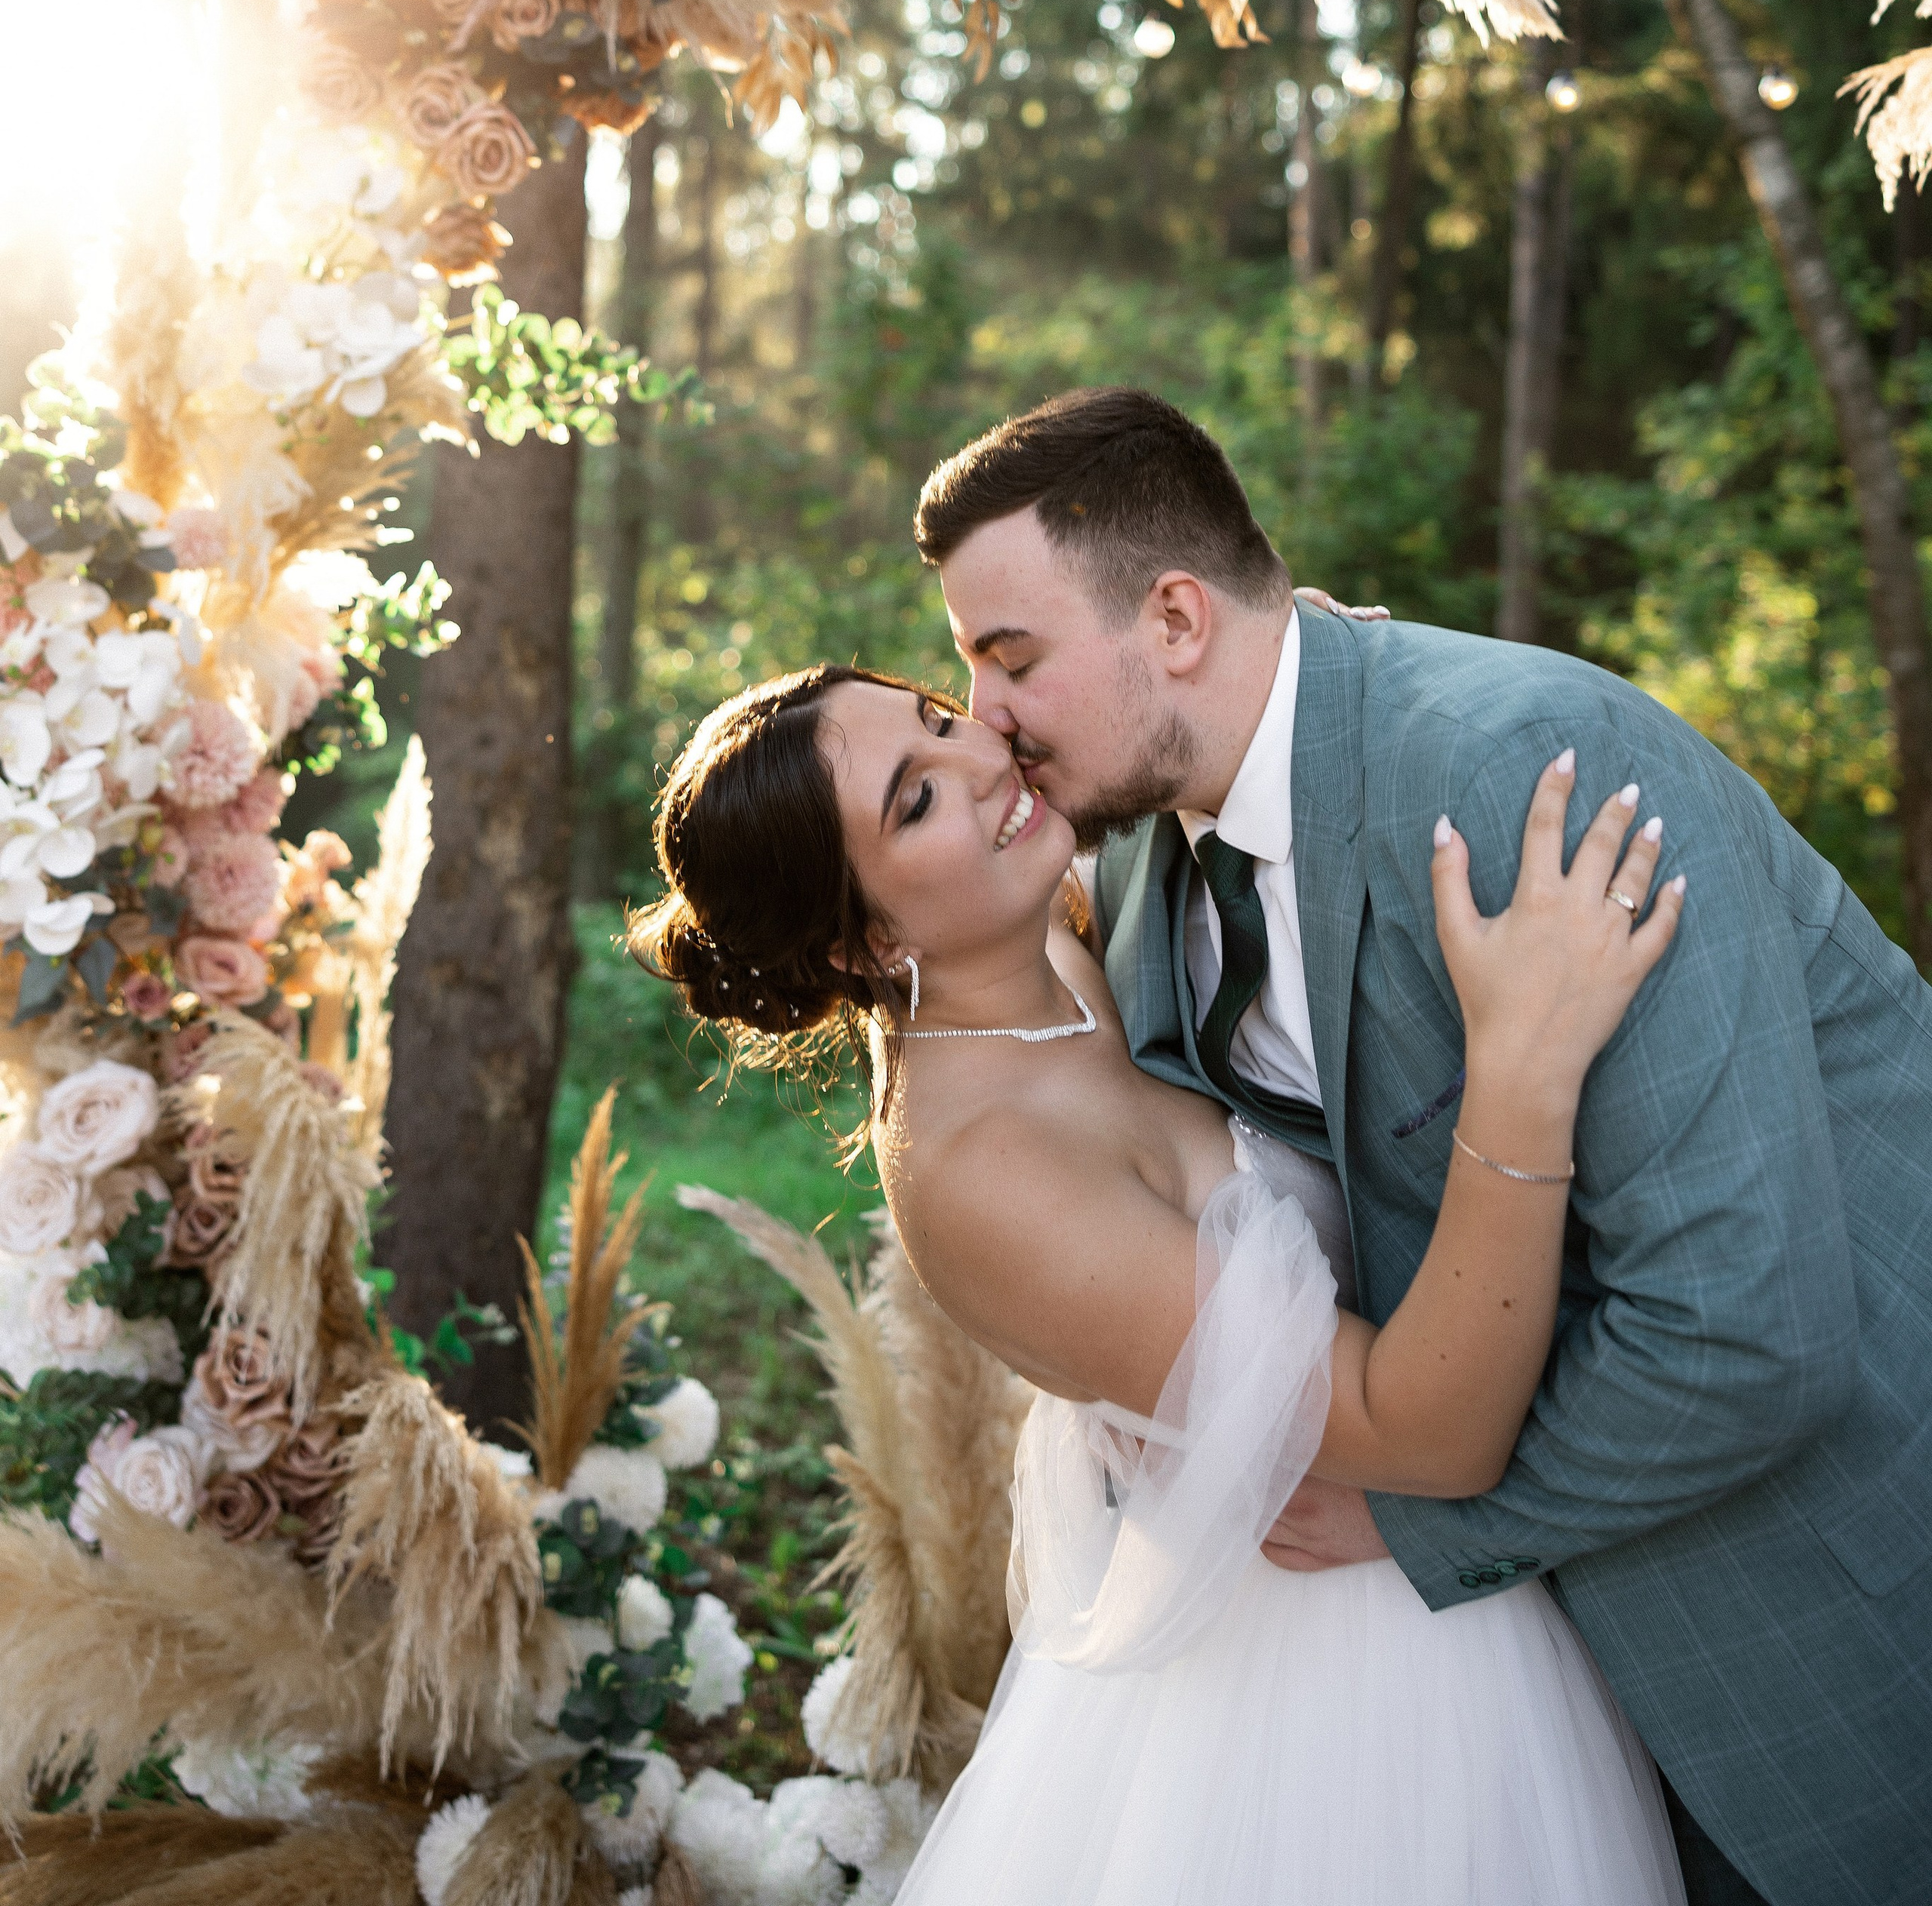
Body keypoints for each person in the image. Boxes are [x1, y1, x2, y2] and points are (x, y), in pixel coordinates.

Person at [912, 386, 1932, 1906]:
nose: (988, 726)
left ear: (1176, 619)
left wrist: (1421, 1515)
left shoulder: (1525, 771)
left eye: (1009, 663)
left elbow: (1745, 1330)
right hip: (1513, 1700)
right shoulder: (1136, 854)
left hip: (1795, 1604)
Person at [639, 662, 1687, 1903]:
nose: (981, 763)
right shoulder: (989, 1174)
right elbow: (1433, 1437)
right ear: (866, 939)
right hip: (1339, 1675)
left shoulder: (1043, 943)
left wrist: (1297, 653)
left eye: (937, 715)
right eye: (916, 801)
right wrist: (1524, 1061)